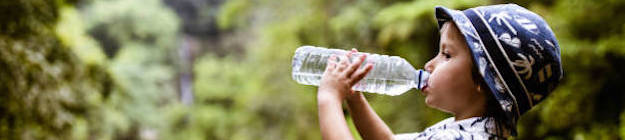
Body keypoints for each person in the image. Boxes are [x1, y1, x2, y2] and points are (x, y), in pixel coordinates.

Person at [316, 4, 563, 140]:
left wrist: (328, 99)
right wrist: (355, 98)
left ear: (484, 78)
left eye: (446, 54)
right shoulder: (469, 127)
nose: (429, 65)